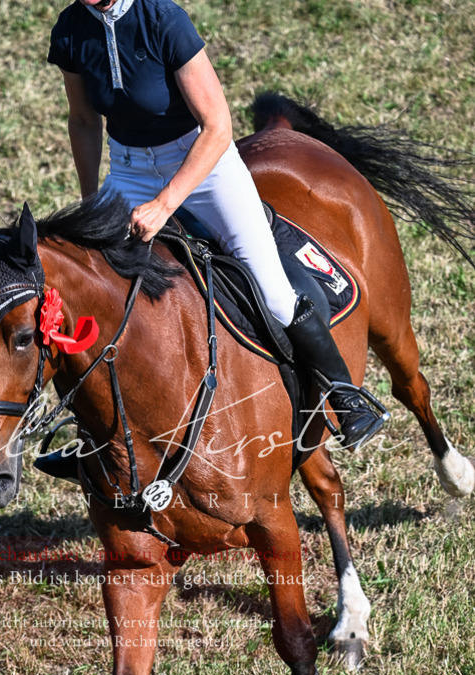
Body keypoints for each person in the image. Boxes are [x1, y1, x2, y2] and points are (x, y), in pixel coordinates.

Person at [36, 0, 386, 482]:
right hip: (130, 171)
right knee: (92, 293)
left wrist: (165, 204)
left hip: (205, 166)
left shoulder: (164, 20)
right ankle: (89, 435)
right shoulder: (71, 29)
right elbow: (82, 119)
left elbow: (218, 125)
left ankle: (347, 397)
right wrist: (92, 202)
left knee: (274, 293)